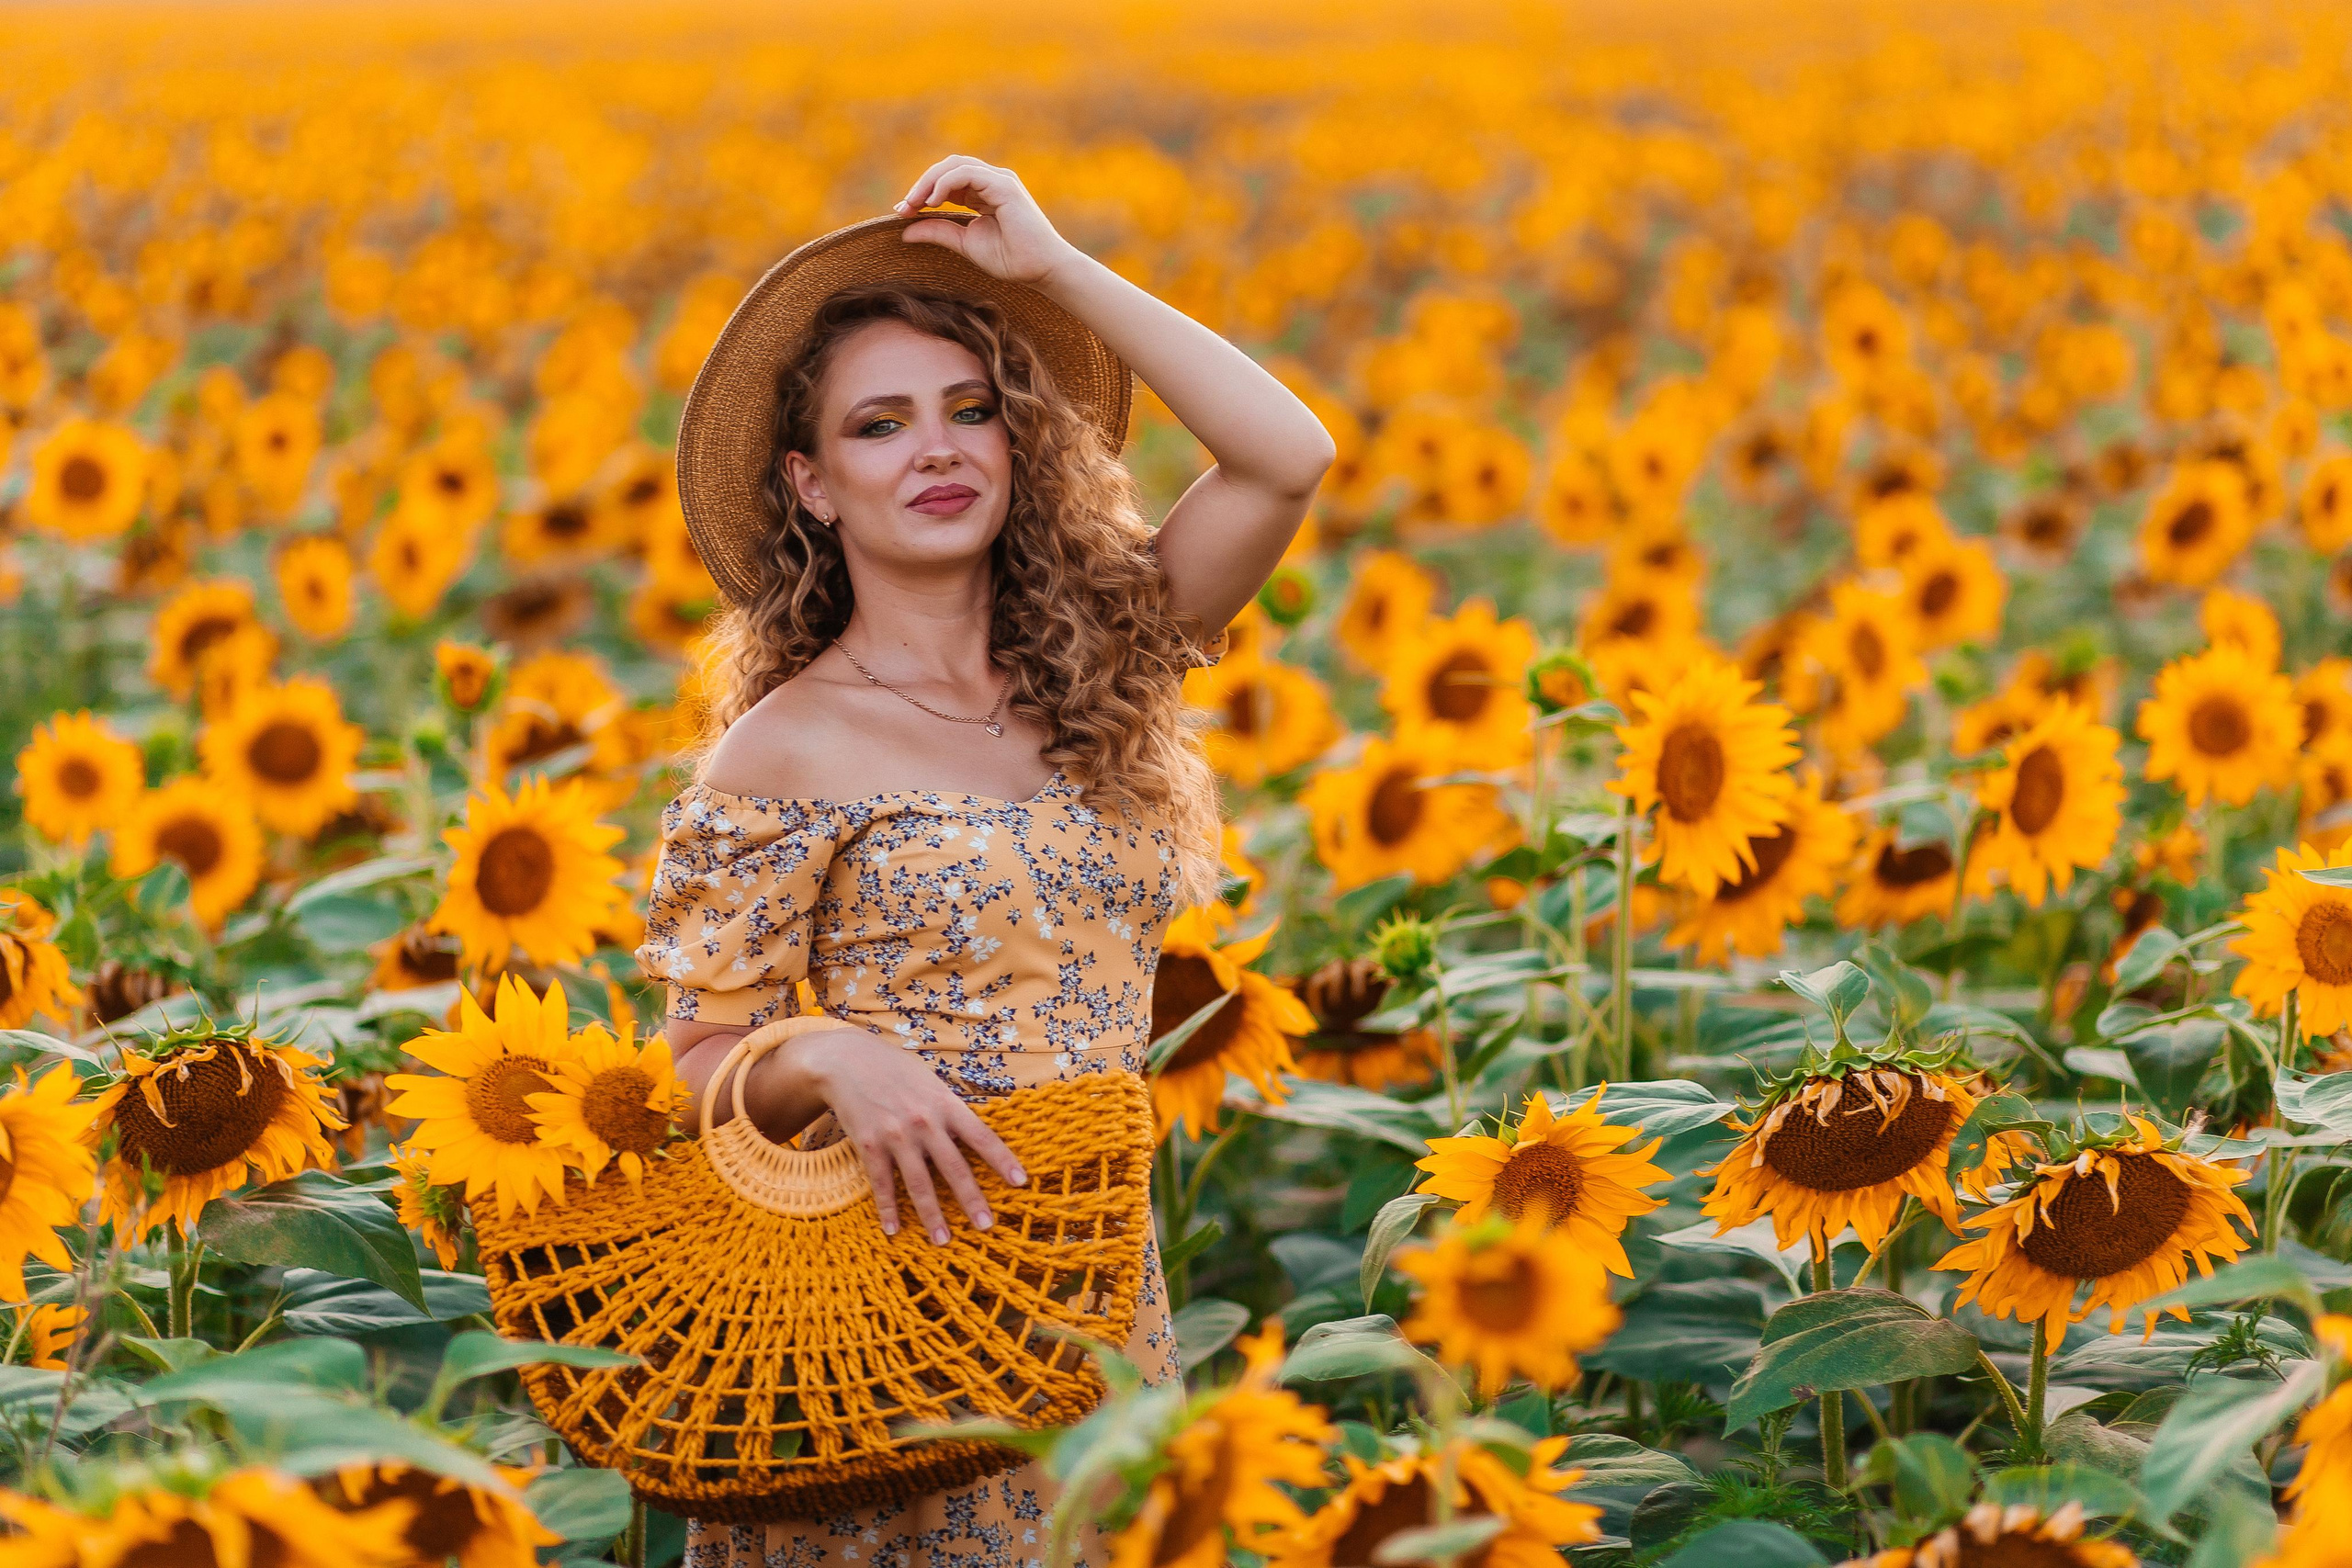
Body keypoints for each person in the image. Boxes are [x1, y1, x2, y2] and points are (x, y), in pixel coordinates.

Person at [635, 153, 1335, 1568]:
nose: (937, 450)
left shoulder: (1101, 666)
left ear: (1022, 444)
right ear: (811, 485)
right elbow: (693, 1058)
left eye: (972, 412)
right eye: (879, 426)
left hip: (1094, 1307)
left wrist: (1057, 273)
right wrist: (826, 1058)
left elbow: (1286, 455)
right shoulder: (782, 750)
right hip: (879, 1325)